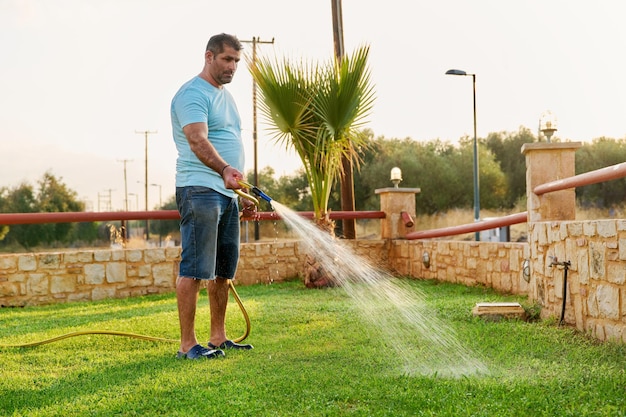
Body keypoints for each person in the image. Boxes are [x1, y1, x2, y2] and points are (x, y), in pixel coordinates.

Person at [171, 33, 255, 359]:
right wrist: (224, 171)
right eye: (226, 60)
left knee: (223, 271)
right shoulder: (193, 94)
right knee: (195, 269)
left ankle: (218, 337)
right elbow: (197, 139)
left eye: (236, 61)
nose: (232, 67)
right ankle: (187, 345)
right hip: (200, 190)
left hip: (227, 194)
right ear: (209, 56)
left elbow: (229, 144)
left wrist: (243, 192)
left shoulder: (226, 97)